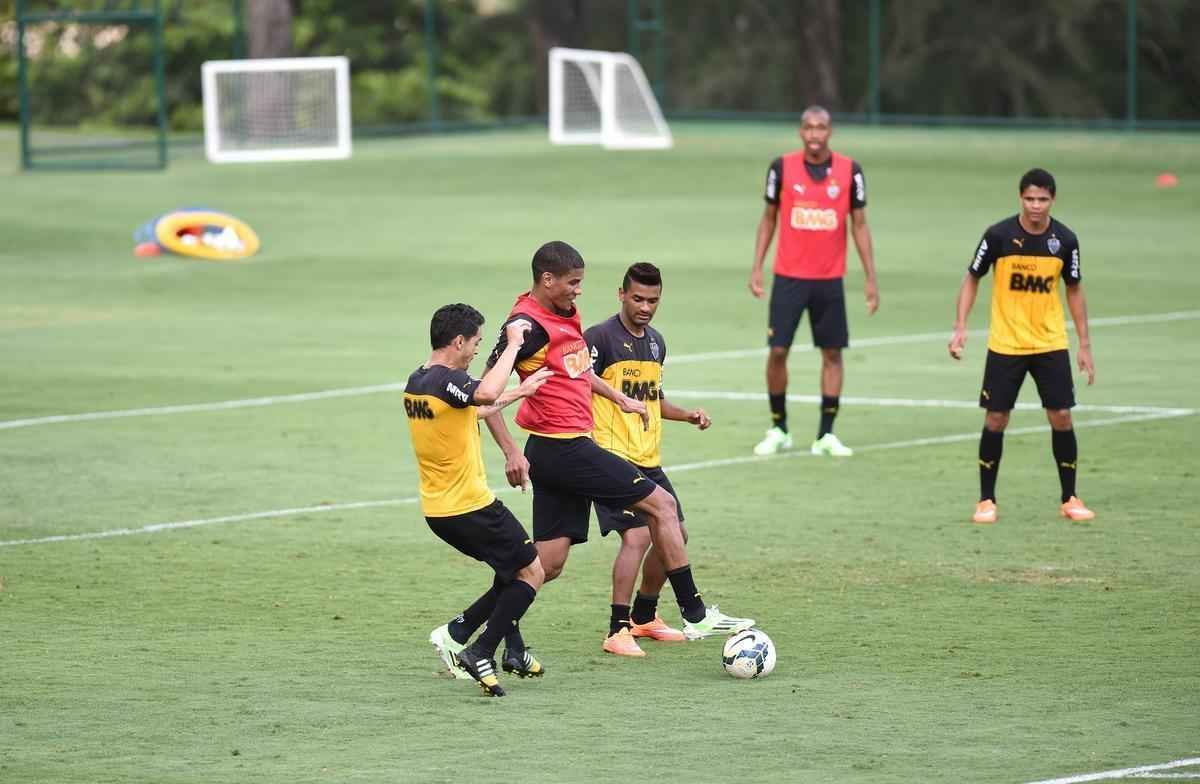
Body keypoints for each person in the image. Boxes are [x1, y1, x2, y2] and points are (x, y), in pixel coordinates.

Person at [483, 241, 754, 643]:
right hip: (565, 446)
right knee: (662, 507)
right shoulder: (527, 326)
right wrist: (510, 451)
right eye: (573, 282)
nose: (578, 290)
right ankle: (694, 613)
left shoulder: (562, 313)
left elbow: (575, 369)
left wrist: (619, 396)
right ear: (547, 279)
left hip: (556, 448)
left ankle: (461, 630)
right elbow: (487, 395)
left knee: (547, 564)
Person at [406, 303, 552, 696]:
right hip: (470, 506)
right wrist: (513, 345)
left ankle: (475, 639)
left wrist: (520, 391)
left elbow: (476, 410)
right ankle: (481, 649)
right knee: (533, 572)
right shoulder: (445, 380)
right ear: (458, 341)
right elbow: (485, 391)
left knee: (511, 570)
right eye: (475, 343)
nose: (475, 351)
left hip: (440, 511)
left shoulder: (418, 381)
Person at [948, 168, 1096, 524]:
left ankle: (1070, 498)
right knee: (996, 418)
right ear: (1020, 198)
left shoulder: (1065, 241)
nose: (1035, 206)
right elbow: (972, 278)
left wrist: (1085, 344)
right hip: (1005, 345)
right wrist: (960, 327)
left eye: (1042, 199)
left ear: (1052, 200)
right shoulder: (998, 235)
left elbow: (1074, 290)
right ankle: (986, 500)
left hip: (1049, 343)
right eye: (1029, 198)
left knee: (1061, 416)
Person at [586, 262, 719, 657]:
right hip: (610, 457)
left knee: (675, 532)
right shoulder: (598, 338)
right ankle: (617, 628)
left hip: (648, 458)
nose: (645, 307)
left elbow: (653, 400)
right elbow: (574, 382)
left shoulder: (657, 342)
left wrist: (687, 415)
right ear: (621, 294)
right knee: (639, 534)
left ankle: (645, 616)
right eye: (638, 298)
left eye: (653, 300)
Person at [748, 105, 879, 457]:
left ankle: (826, 434)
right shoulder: (781, 168)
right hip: (789, 277)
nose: (815, 134)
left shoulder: (850, 172)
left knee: (832, 353)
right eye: (809, 127)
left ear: (830, 131)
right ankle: (779, 427)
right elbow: (768, 219)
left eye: (821, 128)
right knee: (778, 352)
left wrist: (870, 278)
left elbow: (860, 226)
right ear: (800, 131)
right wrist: (757, 267)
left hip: (829, 280)